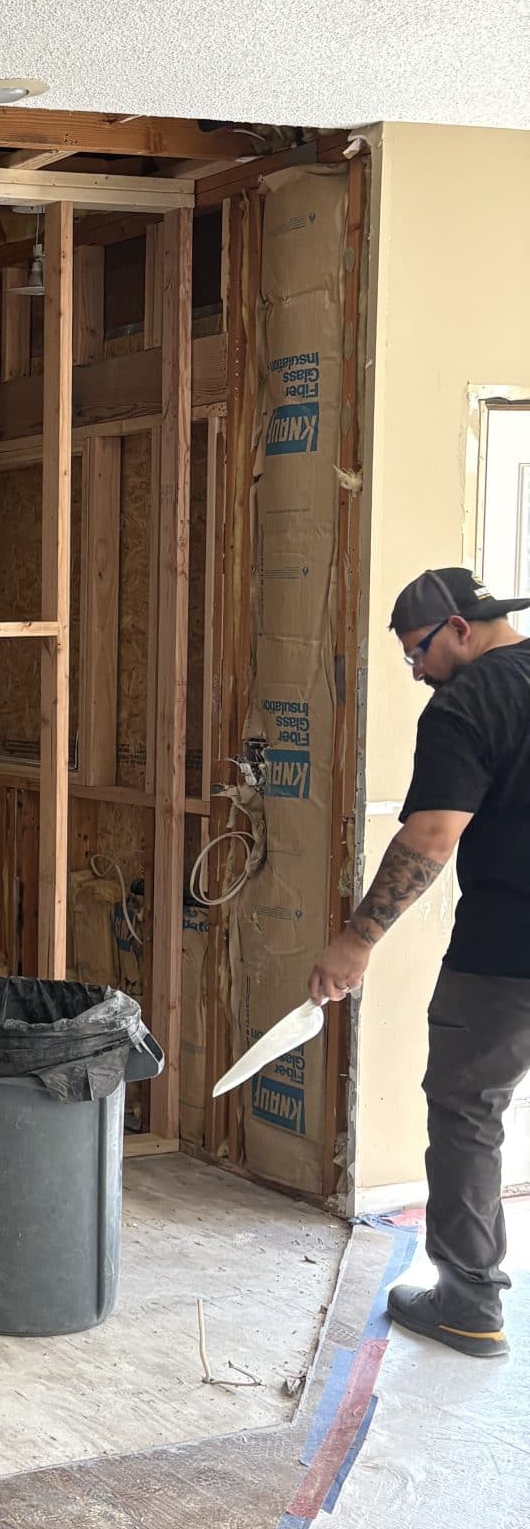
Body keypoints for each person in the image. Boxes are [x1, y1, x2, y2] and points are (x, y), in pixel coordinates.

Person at [308, 567, 530, 1360]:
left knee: (467, 1111)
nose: (415, 672)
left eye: (417, 651)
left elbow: (432, 836)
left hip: (507, 953)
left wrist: (357, 939)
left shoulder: (468, 702)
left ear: (460, 629)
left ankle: (468, 1306)